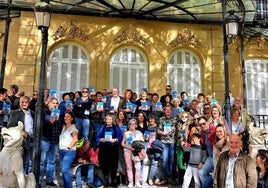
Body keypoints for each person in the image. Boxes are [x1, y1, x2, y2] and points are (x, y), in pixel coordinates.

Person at [7, 96, 34, 174]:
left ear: (29, 103)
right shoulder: (15, 113)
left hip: (31, 138)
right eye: (22, 102)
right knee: (19, 160)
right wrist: (22, 132)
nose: (24, 104)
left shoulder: (32, 113)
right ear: (19, 103)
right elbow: (10, 126)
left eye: (26, 102)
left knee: (29, 161)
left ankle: (25, 177)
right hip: (20, 139)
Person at [39, 97, 62, 187]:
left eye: (56, 103)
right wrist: (50, 122)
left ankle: (49, 180)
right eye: (53, 103)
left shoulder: (59, 113)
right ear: (48, 104)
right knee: (42, 161)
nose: (55, 104)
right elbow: (41, 127)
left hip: (55, 140)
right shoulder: (44, 113)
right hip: (45, 140)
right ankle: (39, 180)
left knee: (51, 162)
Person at [96, 114, 123, 187]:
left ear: (113, 120)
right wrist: (101, 140)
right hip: (104, 149)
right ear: (105, 120)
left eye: (110, 119)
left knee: (113, 165)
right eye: (108, 119)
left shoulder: (116, 128)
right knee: (104, 165)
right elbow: (97, 137)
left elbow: (120, 137)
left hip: (113, 148)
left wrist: (115, 140)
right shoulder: (102, 127)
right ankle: (106, 182)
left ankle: (114, 182)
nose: (109, 121)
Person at [121, 118, 144, 188]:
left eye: (134, 124)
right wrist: (128, 147)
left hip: (136, 151)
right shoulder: (126, 133)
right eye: (130, 124)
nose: (132, 125)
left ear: (136, 125)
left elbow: (143, 142)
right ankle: (130, 182)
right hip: (127, 150)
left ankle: (137, 182)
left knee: (138, 167)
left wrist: (139, 148)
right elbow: (122, 143)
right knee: (129, 167)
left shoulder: (139, 132)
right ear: (129, 125)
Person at [157, 104, 177, 185]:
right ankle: (165, 178)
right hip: (164, 142)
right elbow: (158, 130)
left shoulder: (175, 119)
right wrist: (162, 133)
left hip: (172, 142)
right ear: (164, 111)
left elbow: (178, 129)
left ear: (171, 111)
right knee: (164, 160)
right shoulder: (161, 119)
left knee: (172, 161)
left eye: (169, 109)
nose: (168, 111)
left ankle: (172, 178)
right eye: (166, 109)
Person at [59, 111, 78, 188]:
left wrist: (68, 147)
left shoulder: (73, 128)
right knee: (63, 172)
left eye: (68, 117)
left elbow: (75, 139)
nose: (66, 118)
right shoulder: (64, 127)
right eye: (65, 116)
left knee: (65, 170)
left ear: (72, 118)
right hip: (61, 152)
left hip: (69, 152)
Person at [198, 116, 216, 188]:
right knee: (200, 172)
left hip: (218, 157)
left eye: (204, 123)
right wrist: (202, 162)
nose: (202, 125)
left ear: (208, 122)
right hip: (210, 157)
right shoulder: (202, 133)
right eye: (200, 124)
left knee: (216, 175)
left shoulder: (214, 130)